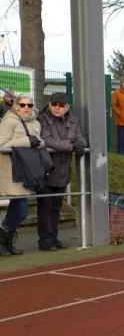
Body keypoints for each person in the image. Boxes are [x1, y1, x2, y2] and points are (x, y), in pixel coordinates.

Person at [36, 92, 88, 250]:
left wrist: (81, 143)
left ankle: (54, 237)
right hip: (45, 170)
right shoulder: (42, 119)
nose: (57, 108)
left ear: (67, 107)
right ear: (49, 104)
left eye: (61, 105)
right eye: (54, 104)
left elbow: (80, 136)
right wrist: (72, 146)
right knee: (45, 208)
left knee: (56, 208)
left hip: (63, 171)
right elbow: (47, 140)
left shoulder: (73, 120)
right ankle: (45, 240)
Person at [0, 93, 45, 256]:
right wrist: (26, 141)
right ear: (16, 105)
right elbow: (2, 144)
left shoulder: (35, 122)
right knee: (21, 210)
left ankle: (6, 241)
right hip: (12, 170)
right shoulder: (9, 121)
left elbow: (39, 140)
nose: (26, 108)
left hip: (27, 170)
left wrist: (38, 143)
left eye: (30, 105)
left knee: (19, 210)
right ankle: (3, 240)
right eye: (23, 105)